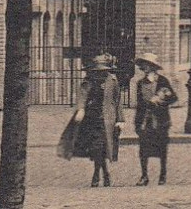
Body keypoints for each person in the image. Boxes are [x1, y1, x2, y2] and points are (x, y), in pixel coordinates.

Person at [57, 53, 122, 187]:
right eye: (97, 71)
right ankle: (99, 174)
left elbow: (118, 101)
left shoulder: (113, 81)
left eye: (103, 71)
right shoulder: (89, 81)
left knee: (103, 148)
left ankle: (102, 173)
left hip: (108, 119)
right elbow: (82, 96)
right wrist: (81, 109)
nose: (100, 74)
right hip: (92, 119)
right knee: (96, 147)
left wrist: (120, 119)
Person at [131, 51, 178, 185]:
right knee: (143, 149)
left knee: (162, 148)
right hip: (145, 121)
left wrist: (160, 101)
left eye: (146, 65)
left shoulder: (163, 81)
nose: (144, 68)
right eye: (143, 65)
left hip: (161, 121)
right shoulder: (140, 83)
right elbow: (139, 105)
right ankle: (144, 176)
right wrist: (137, 123)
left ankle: (162, 175)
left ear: (152, 66)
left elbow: (173, 98)